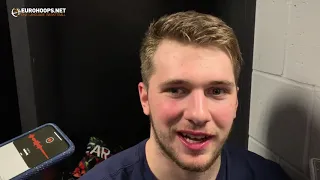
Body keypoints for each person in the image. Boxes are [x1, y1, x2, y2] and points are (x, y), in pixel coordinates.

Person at [79, 11, 291, 180]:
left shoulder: (268, 175)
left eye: (217, 91)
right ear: (145, 99)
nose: (198, 114)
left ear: (235, 101)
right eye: (176, 90)